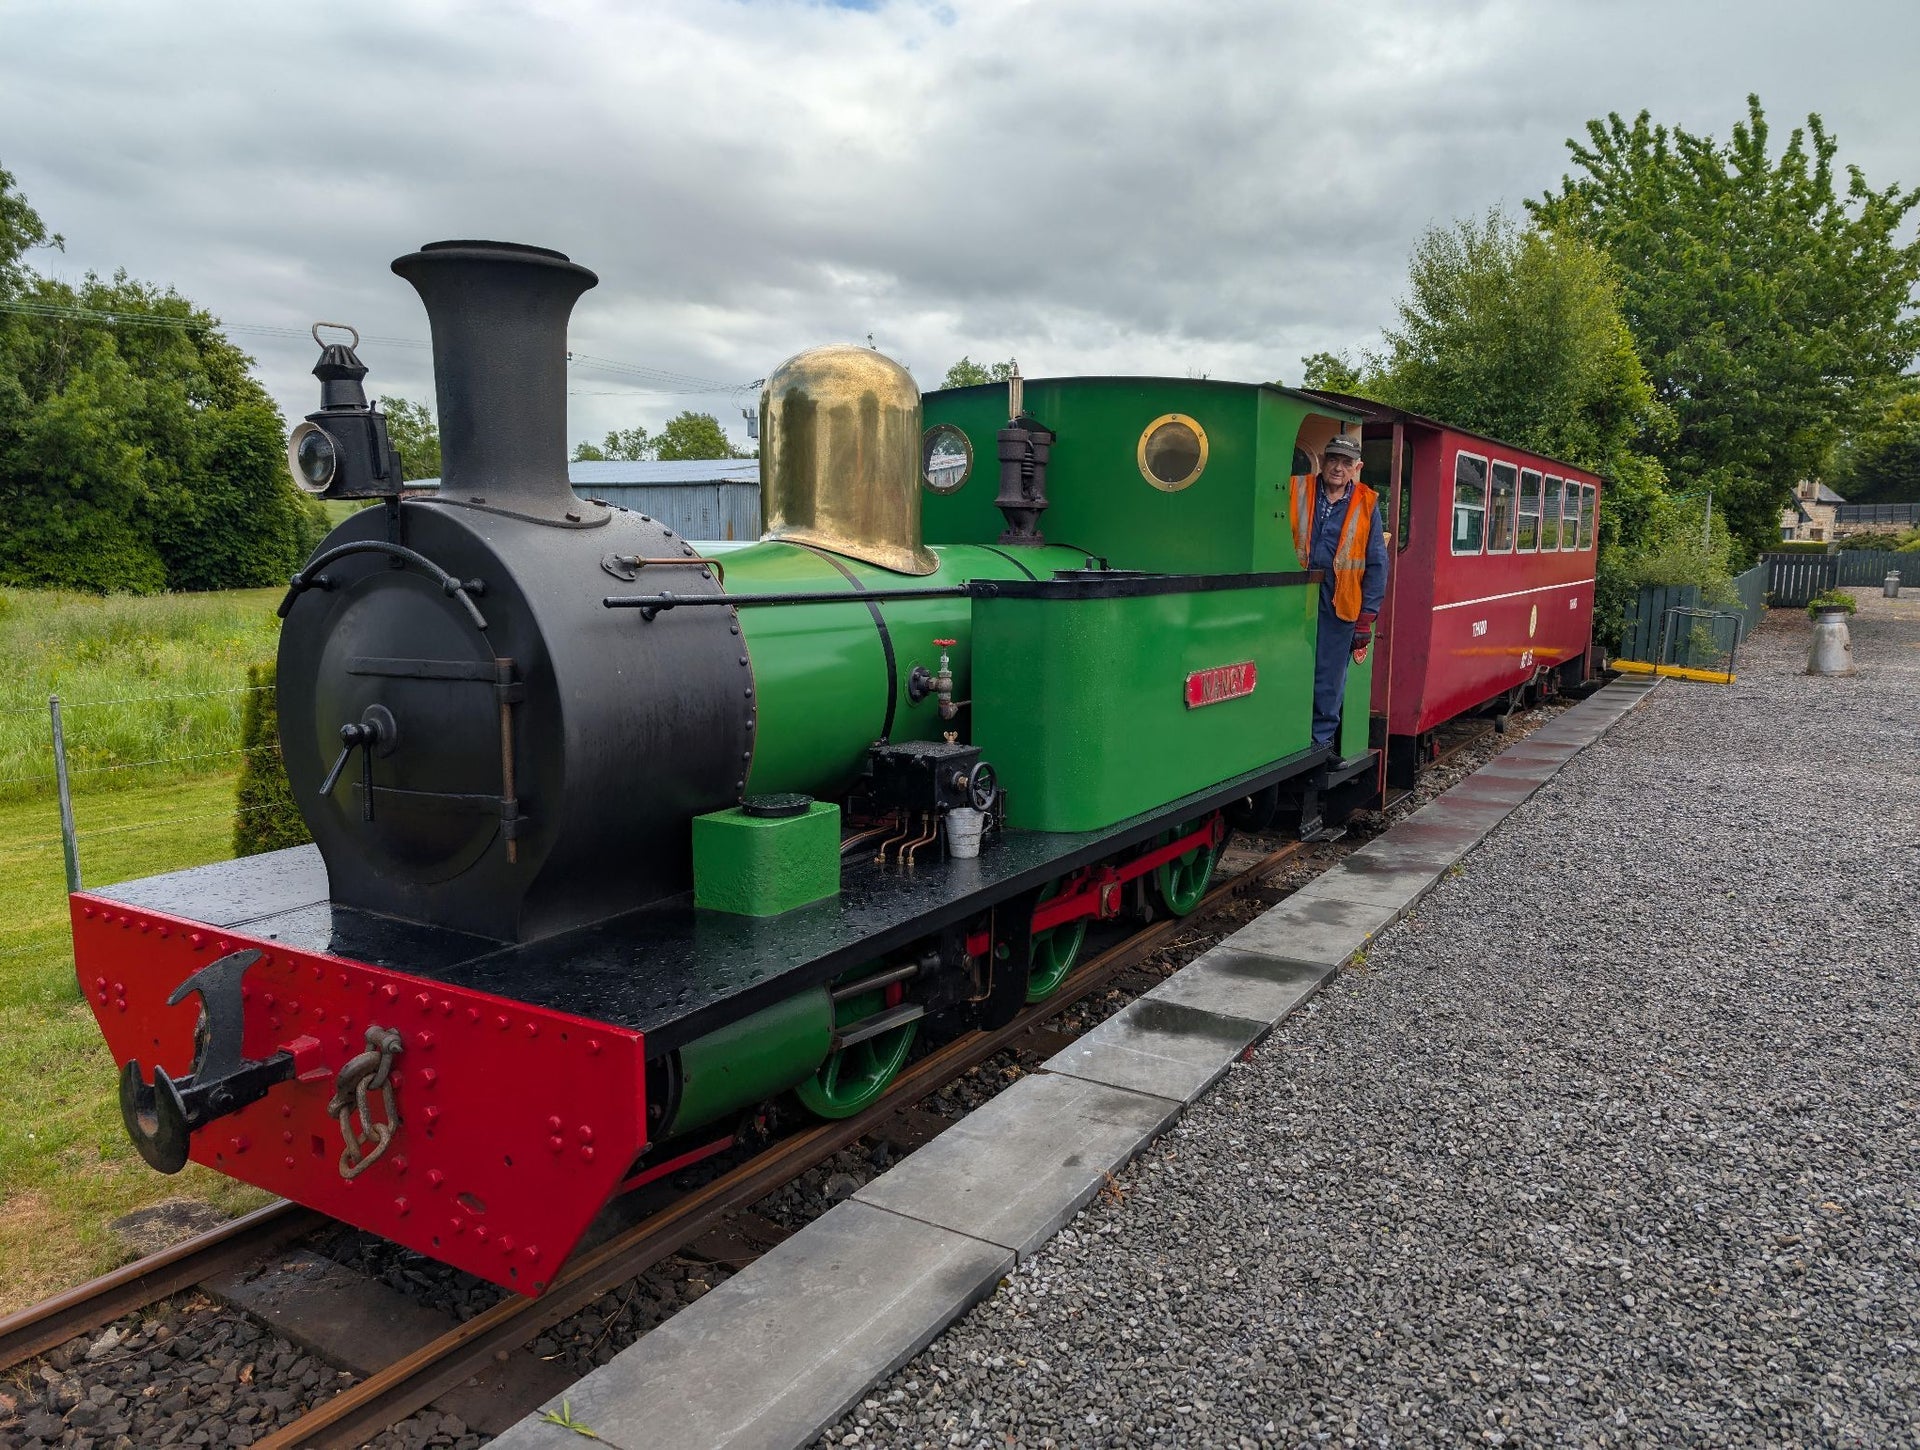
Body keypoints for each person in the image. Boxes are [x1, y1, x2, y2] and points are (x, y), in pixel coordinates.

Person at [1290, 433, 1388, 751]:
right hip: (1293, 596)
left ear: (1356, 467)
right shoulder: (1297, 488)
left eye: (1346, 463)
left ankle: (1319, 744)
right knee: (1289, 667)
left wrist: (1366, 618)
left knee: (1329, 677)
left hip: (1340, 600)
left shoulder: (1367, 502)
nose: (1338, 468)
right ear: (1324, 460)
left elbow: (1376, 564)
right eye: (1334, 459)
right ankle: (1286, 737)